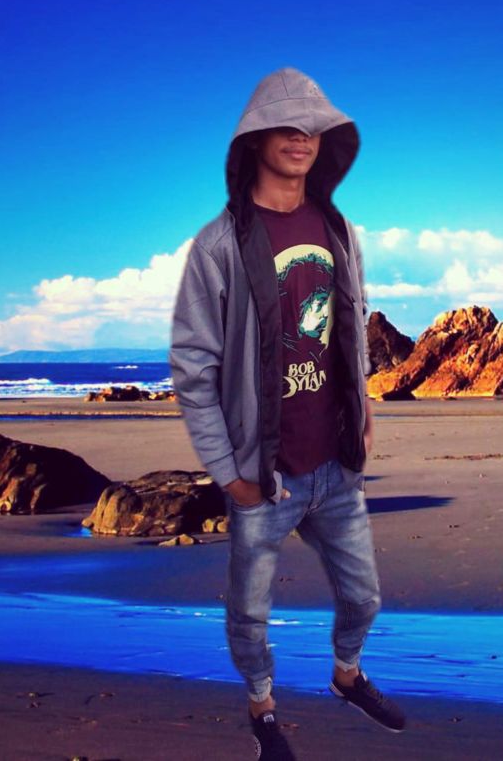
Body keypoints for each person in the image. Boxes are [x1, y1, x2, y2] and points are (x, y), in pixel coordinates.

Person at [169, 68, 405, 760]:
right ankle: (263, 708)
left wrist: (364, 410)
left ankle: (347, 675)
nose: (302, 138)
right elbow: (193, 363)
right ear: (255, 138)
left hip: (335, 464)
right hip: (263, 474)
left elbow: (352, 324)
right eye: (287, 126)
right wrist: (228, 473)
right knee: (249, 614)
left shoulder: (338, 229)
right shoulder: (218, 245)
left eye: (313, 128)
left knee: (364, 598)